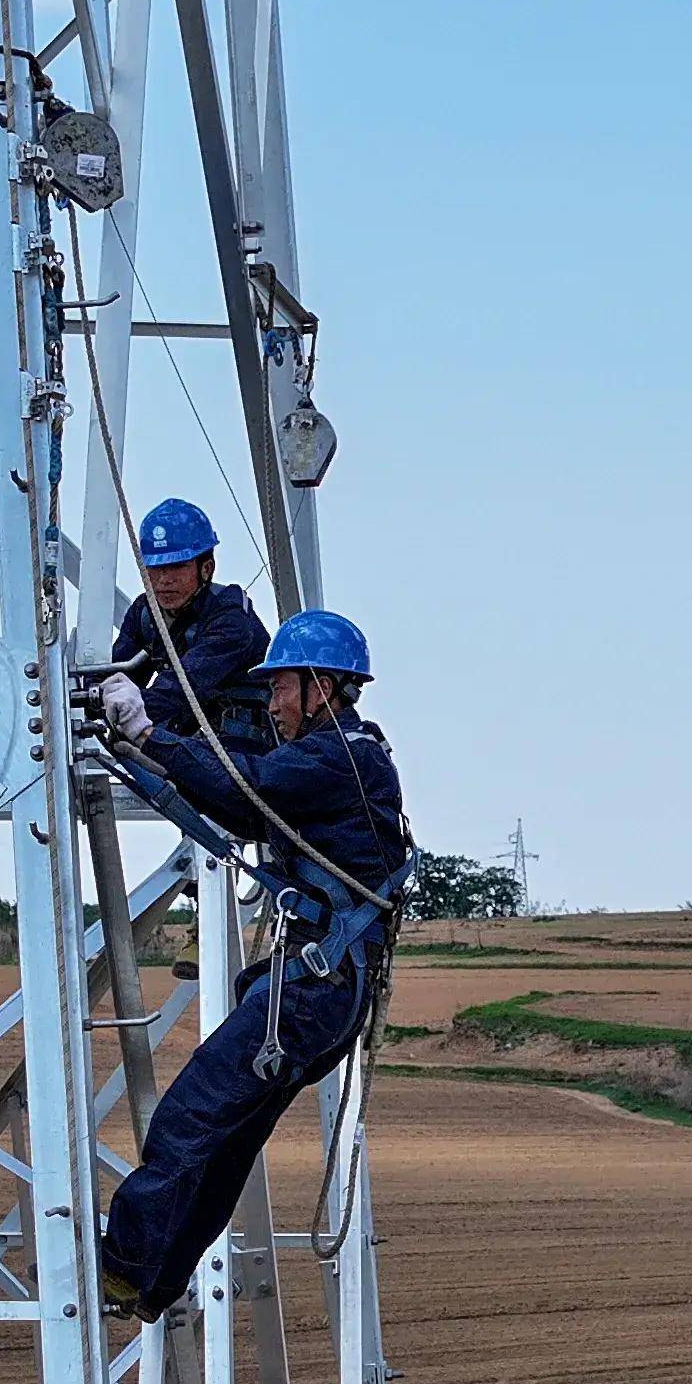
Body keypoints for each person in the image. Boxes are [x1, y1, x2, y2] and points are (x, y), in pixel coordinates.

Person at [98, 609, 411, 1319]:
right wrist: (148, 757)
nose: (271, 703)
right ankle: (148, 1281)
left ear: (323, 687)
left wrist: (149, 731)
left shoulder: (339, 757)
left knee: (189, 1120)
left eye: (282, 688)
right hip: (320, 991)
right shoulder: (343, 760)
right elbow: (240, 811)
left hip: (308, 989)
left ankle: (122, 1264)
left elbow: (246, 787)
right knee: (224, 1142)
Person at [93, 498, 270, 749]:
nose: (164, 580)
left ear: (206, 568)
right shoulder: (145, 613)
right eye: (155, 567)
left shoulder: (231, 618)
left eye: (177, 566)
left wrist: (124, 712)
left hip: (245, 754)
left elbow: (184, 687)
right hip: (188, 746)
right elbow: (115, 677)